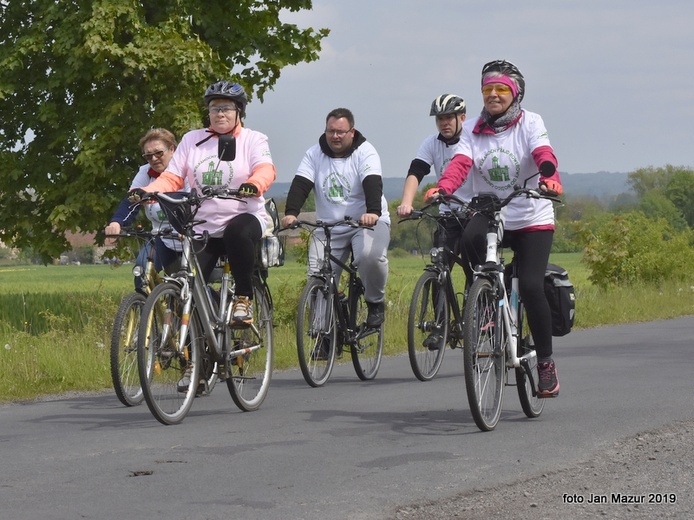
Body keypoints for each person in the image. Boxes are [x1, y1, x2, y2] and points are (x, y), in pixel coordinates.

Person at [425, 60, 564, 397]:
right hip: (491, 211)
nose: (493, 95)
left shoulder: (530, 121)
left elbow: (543, 153)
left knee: (531, 286)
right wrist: (444, 186)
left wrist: (549, 177)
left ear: (515, 93)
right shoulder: (472, 128)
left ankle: (545, 364)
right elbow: (461, 164)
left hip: (531, 214)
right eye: (487, 90)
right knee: (471, 238)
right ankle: (486, 301)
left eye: (501, 89)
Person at [130, 81, 276, 326]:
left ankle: (243, 298)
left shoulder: (254, 139)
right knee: (189, 287)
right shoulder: (192, 140)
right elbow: (173, 176)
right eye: (214, 107)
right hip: (204, 225)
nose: (220, 113)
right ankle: (196, 352)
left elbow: (265, 168)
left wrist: (254, 183)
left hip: (244, 216)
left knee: (236, 232)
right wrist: (147, 190)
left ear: (239, 111)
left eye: (227, 108)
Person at [281, 107, 390, 329]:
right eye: (331, 131)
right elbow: (301, 184)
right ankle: (322, 333)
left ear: (352, 132)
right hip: (329, 226)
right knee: (317, 276)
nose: (335, 136)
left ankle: (374, 302)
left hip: (364, 222)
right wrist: (291, 212)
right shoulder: (314, 154)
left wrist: (373, 212)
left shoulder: (365, 152)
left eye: (340, 131)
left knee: (370, 257)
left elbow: (372, 182)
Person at [104, 128, 184, 292]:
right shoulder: (145, 172)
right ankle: (146, 313)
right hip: (162, 236)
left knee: (191, 285)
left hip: (190, 237)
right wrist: (117, 223)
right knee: (142, 270)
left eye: (158, 153)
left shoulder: (187, 169)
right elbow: (131, 200)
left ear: (172, 149)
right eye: (148, 156)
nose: (153, 159)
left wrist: (187, 226)